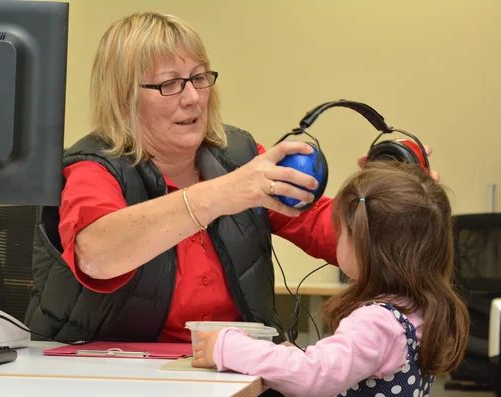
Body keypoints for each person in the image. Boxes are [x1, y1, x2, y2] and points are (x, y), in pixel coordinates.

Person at [23, 12, 437, 344]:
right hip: (116, 377)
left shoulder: (238, 156)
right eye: (169, 84)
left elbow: (336, 237)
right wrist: (221, 194)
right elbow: (96, 255)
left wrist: (391, 206)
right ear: (122, 96)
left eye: (200, 77)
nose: (192, 97)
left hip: (231, 373)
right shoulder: (92, 166)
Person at [191, 161, 469, 397]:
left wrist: (229, 347)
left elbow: (313, 376)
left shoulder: (377, 322)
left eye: (341, 231)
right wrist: (295, 357)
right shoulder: (420, 309)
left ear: (363, 246)